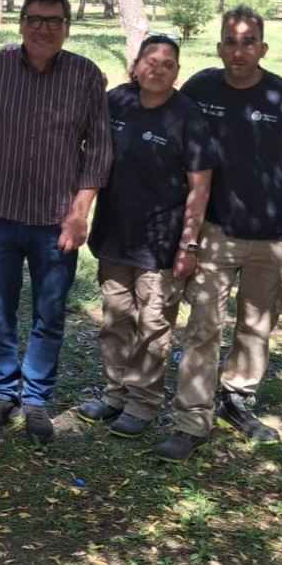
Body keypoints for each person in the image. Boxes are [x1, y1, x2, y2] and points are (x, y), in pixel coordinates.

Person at [153, 6, 282, 462]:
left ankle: (236, 398)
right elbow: (166, 124)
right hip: (216, 229)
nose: (238, 50)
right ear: (219, 46)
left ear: (262, 48)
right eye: (230, 41)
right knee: (203, 326)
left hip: (273, 233)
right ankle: (191, 419)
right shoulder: (201, 87)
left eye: (248, 42)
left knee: (256, 326)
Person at [0, 0, 112, 444]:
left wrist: (79, 214)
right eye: (36, 19)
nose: (44, 28)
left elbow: (98, 151)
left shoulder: (85, 76)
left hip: (55, 221)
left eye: (54, 21)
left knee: (50, 312)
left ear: (67, 27)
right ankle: (3, 394)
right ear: (21, 23)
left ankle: (38, 398)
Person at [76, 33, 215, 439]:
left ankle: (142, 403)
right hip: (114, 235)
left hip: (161, 244)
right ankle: (115, 393)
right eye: (150, 60)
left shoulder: (187, 116)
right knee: (116, 321)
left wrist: (189, 243)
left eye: (167, 63)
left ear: (177, 72)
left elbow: (200, 186)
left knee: (153, 327)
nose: (157, 68)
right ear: (136, 65)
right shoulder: (116, 101)